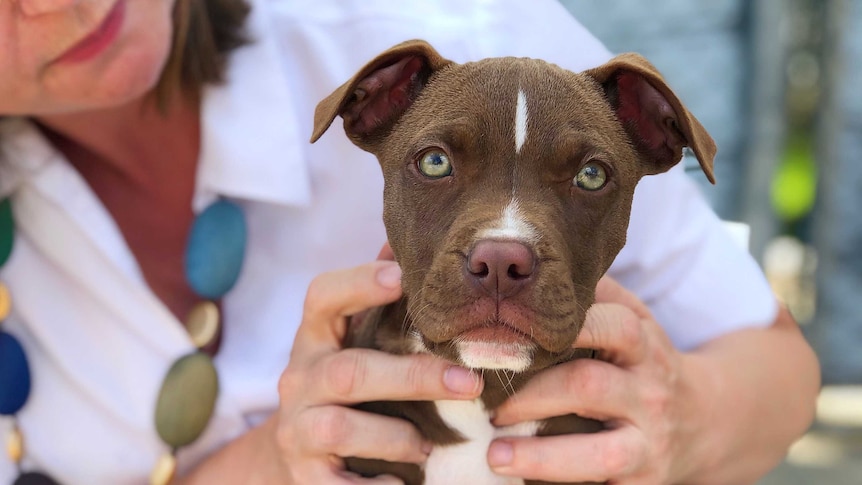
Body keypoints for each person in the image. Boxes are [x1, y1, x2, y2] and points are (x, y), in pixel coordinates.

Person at [0, 0, 820, 484]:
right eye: (435, 161)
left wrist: (687, 416)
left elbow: (780, 368)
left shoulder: (473, 43)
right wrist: (275, 461)